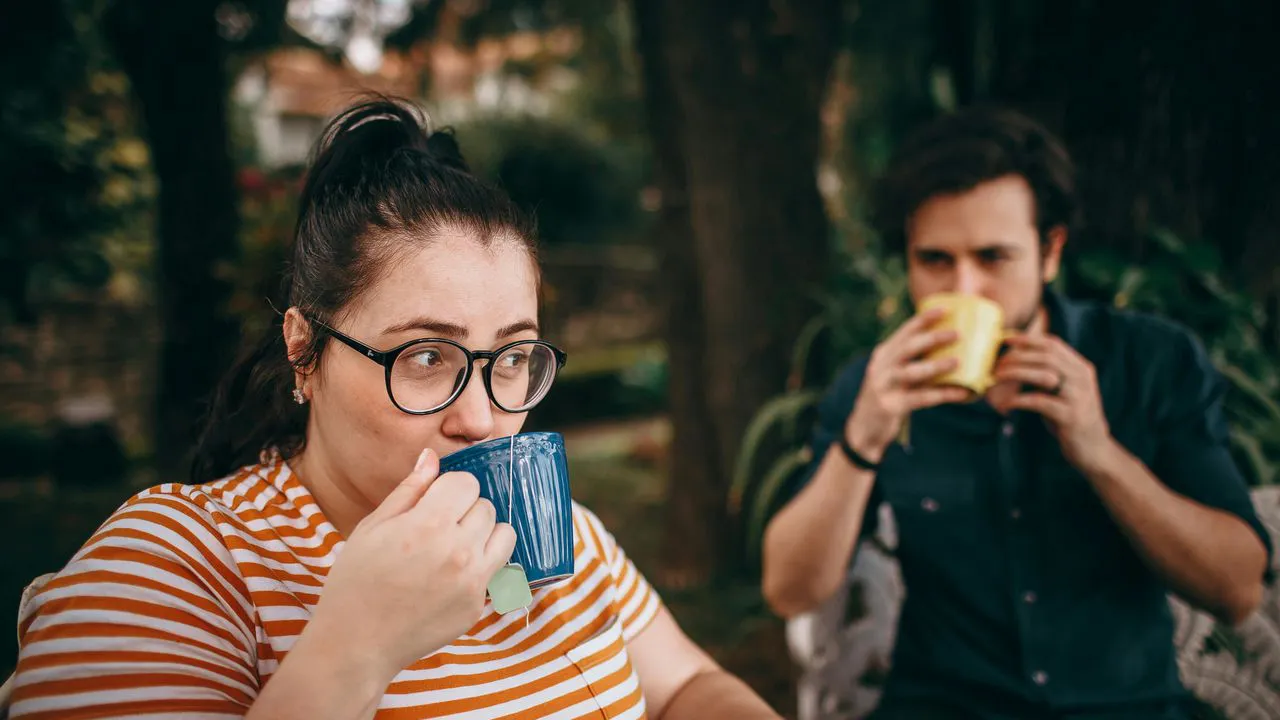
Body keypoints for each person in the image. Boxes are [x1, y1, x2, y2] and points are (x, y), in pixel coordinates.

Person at [10, 97, 779, 720]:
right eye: (426, 357)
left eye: (511, 358)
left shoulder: (563, 534)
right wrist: (357, 645)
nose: (481, 419)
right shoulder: (176, 567)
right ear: (303, 350)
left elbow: (687, 686)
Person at [761, 106, 1273, 720]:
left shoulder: (1150, 362)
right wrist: (860, 441)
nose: (964, 290)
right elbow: (789, 589)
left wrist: (1101, 454)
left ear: (1049, 252)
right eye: (935, 260)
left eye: (993, 258)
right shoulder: (878, 385)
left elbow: (1236, 590)